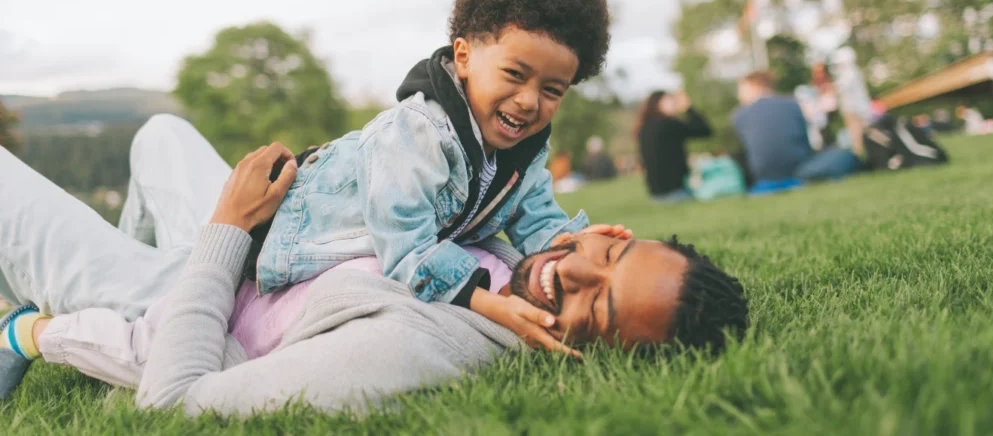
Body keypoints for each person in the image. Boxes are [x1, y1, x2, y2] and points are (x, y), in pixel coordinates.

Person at [0, 116, 749, 414]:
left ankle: (81, 304)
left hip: (198, 296)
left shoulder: (419, 348)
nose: (574, 274)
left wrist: (225, 230)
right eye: (608, 253)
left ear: (598, 355)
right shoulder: (528, 255)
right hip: (256, 254)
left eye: (600, 309)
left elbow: (175, 401)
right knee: (160, 132)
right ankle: (122, 260)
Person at [239, 0, 615, 352]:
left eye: (551, 90)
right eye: (514, 74)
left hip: (377, 251)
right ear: (464, 57)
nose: (528, 101)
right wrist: (492, 307)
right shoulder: (418, 131)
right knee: (402, 305)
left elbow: (535, 219)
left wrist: (578, 246)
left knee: (474, 264)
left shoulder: (525, 151)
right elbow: (406, 249)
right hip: (288, 241)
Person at [733, 71, 861, 192]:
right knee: (844, 154)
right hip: (799, 172)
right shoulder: (793, 104)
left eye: (741, 90)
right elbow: (804, 142)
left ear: (754, 86)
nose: (739, 95)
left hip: (763, 179)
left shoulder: (738, 116)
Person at [636, 91, 713, 202]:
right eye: (669, 100)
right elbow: (705, 130)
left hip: (655, 196)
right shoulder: (669, 124)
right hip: (675, 193)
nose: (674, 103)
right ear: (658, 104)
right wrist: (688, 108)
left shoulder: (644, 129)